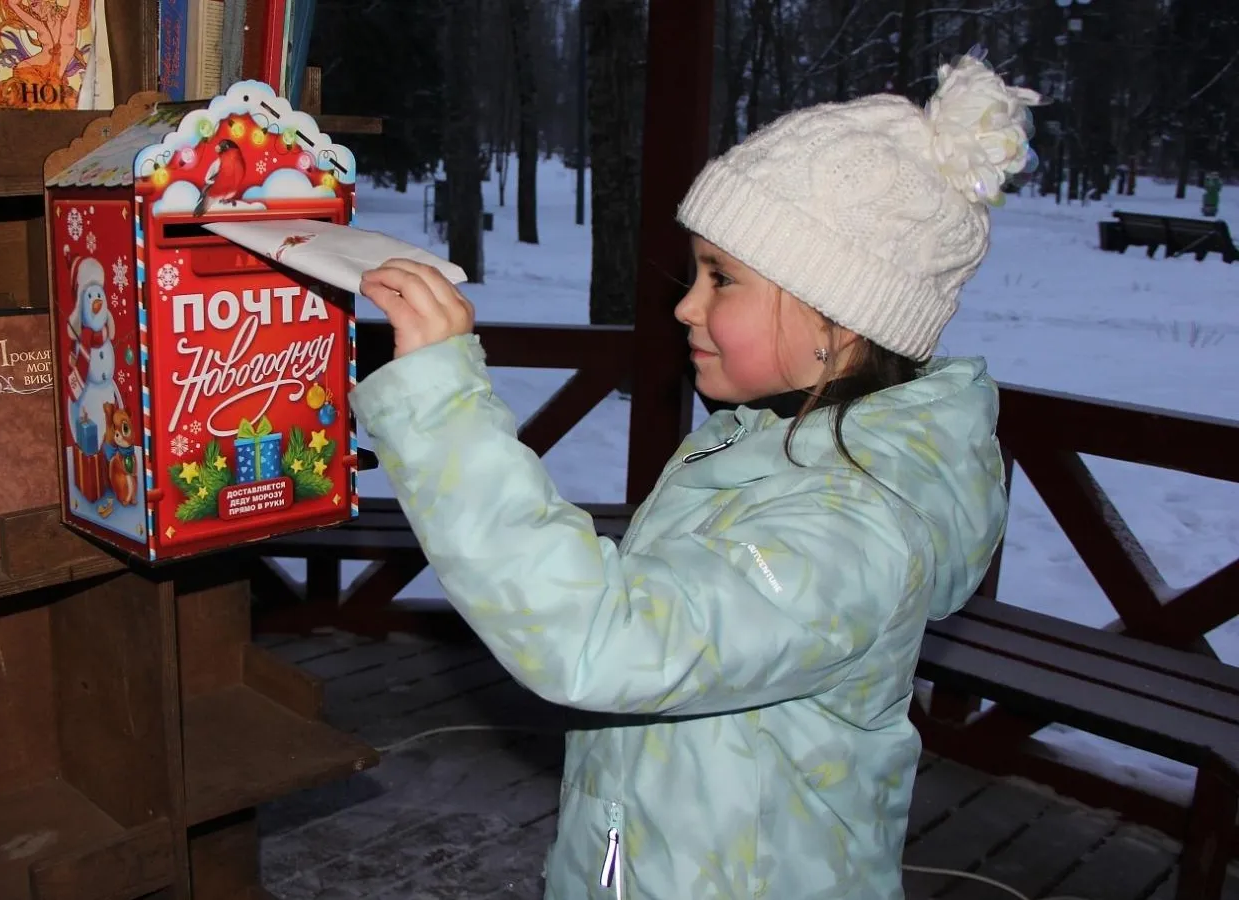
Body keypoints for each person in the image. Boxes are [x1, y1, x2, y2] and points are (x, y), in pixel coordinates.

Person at [348, 50, 1040, 900]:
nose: (686, 303)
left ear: (839, 316)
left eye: (722, 278)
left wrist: (442, 408)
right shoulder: (771, 439)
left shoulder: (856, 528)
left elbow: (600, 641)